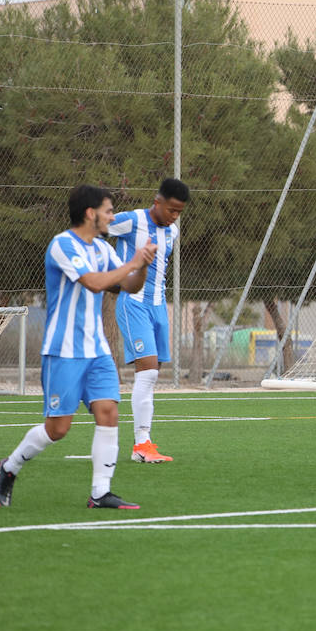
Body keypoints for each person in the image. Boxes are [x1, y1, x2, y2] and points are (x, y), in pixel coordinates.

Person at [0, 184, 157, 510]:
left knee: (108, 412)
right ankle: (10, 467)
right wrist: (132, 261)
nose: (112, 216)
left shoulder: (102, 248)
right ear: (90, 213)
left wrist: (144, 265)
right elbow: (95, 282)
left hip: (97, 350)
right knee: (58, 429)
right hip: (63, 351)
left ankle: (100, 493)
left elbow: (128, 285)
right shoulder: (62, 245)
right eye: (108, 211)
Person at [107, 177, 189, 464]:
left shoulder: (173, 231)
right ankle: (141, 443)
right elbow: (95, 228)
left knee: (152, 374)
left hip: (158, 307)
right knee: (149, 371)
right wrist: (107, 270)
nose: (174, 216)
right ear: (158, 202)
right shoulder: (131, 221)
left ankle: (144, 442)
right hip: (133, 305)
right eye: (171, 210)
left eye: (179, 212)